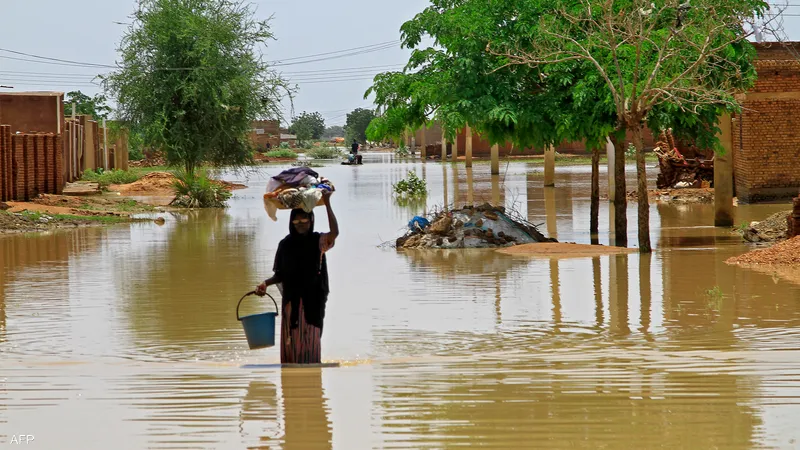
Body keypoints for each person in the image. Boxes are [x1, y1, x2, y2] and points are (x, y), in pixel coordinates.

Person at [255, 190, 339, 364]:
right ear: (291, 222)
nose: (300, 224)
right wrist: (265, 283)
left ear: (311, 221)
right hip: (291, 304)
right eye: (296, 220)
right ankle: (291, 382)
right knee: (291, 344)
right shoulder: (285, 244)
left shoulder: (318, 241)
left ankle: (310, 383)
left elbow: (334, 233)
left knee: (311, 342)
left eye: (304, 220)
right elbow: (280, 275)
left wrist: (327, 202)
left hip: (313, 302)